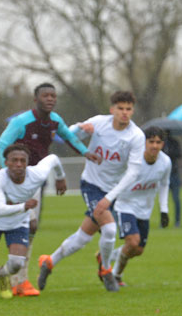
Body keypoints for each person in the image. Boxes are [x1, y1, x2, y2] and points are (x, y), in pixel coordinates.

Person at [0, 82, 102, 297]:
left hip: (35, 181)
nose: (50, 99)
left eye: (53, 95)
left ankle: (16, 278)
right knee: (25, 226)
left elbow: (70, 137)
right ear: (36, 99)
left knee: (30, 228)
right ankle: (15, 278)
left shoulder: (55, 121)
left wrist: (85, 152)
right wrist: (10, 176)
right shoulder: (22, 121)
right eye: (46, 95)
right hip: (17, 185)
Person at [37, 91, 145, 293]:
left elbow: (133, 173)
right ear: (112, 109)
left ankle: (49, 262)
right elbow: (66, 136)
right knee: (111, 230)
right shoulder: (99, 123)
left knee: (83, 238)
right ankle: (105, 270)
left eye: (128, 109)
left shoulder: (136, 136)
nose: (124, 113)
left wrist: (109, 198)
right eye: (120, 108)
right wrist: (79, 128)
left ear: (132, 111)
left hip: (111, 191)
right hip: (91, 184)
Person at [0, 144, 67, 300]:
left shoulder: (37, 174)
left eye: (23, 160)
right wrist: (24, 206)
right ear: (6, 162)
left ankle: (3, 275)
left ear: (28, 162)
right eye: (14, 160)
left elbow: (54, 159)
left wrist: (60, 177)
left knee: (16, 263)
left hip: (18, 223)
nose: (19, 164)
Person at [103, 126, 171, 286]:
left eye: (159, 142)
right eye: (151, 141)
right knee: (133, 242)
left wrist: (164, 210)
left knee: (138, 250)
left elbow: (164, 184)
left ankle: (106, 256)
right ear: (144, 142)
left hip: (145, 210)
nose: (155, 146)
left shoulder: (166, 162)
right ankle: (115, 275)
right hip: (125, 205)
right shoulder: (134, 159)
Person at [162, 131, 182, 227]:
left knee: (176, 199)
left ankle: (177, 220)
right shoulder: (161, 143)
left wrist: (171, 152)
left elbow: (179, 154)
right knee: (163, 199)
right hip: (164, 174)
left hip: (174, 173)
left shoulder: (174, 142)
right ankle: (163, 220)